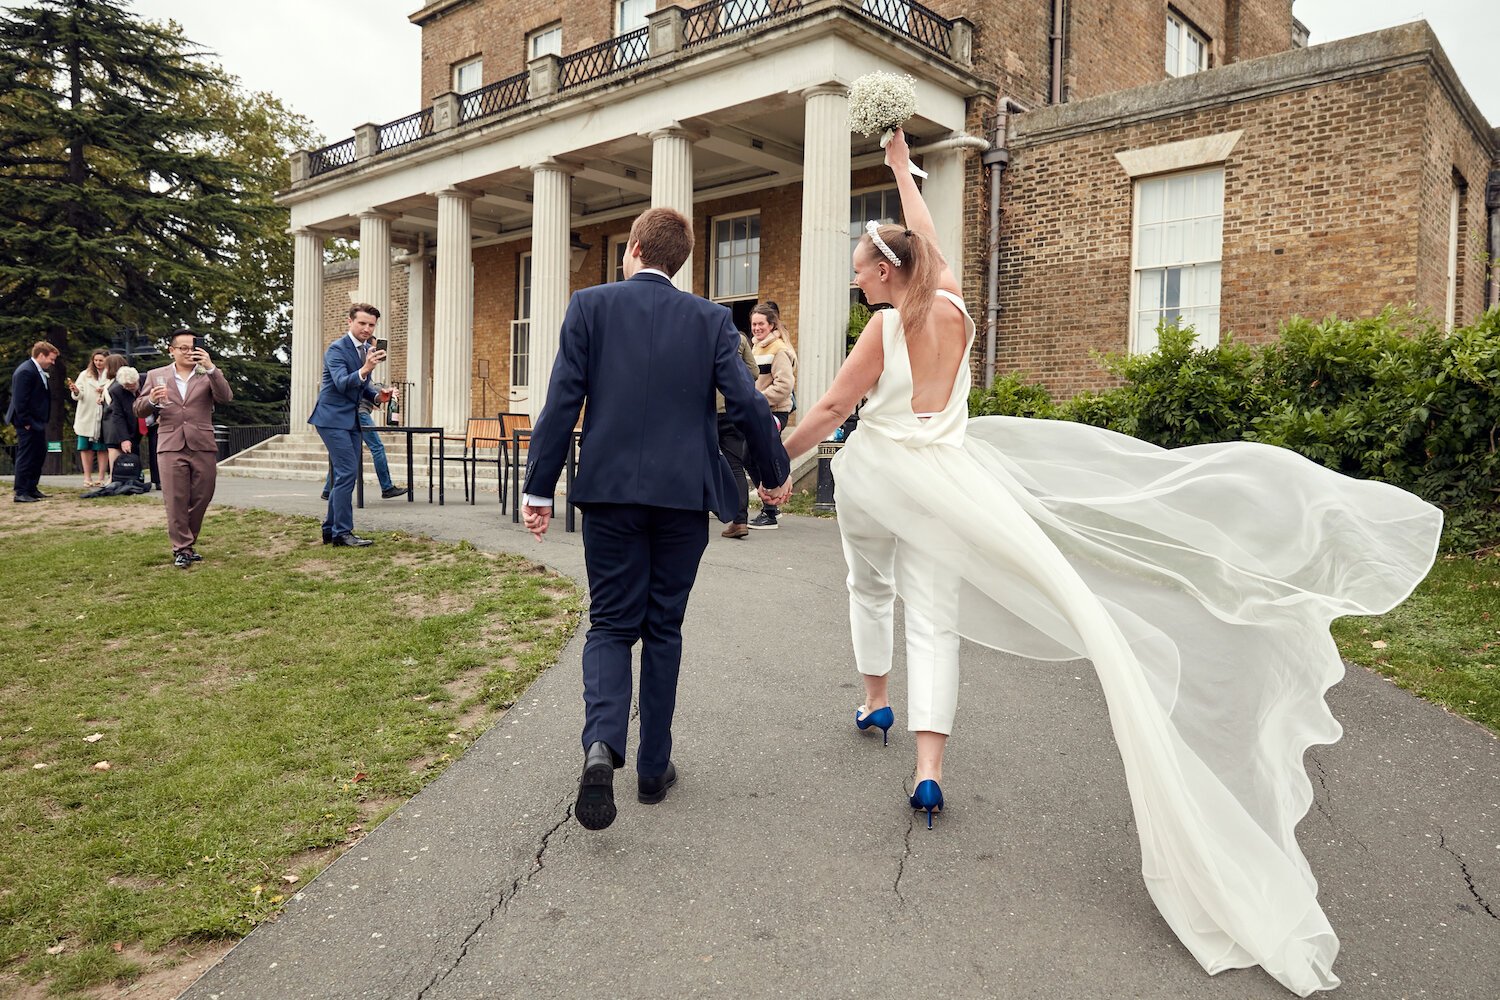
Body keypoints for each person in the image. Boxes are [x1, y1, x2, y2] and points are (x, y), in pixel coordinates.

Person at [767, 128, 1440, 995]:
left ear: (887, 275)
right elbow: (928, 246)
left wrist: (775, 466)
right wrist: (900, 171)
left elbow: (827, 407)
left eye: (863, 265)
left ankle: (873, 701)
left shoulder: (887, 330)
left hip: (884, 483)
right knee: (935, 618)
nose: (857, 274)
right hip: (956, 484)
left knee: (872, 583)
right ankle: (929, 769)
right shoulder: (958, 311)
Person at [522, 207, 789, 831]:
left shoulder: (589, 306)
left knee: (611, 624)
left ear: (635, 247)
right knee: (663, 628)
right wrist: (772, 470)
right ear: (678, 260)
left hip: (610, 494)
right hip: (680, 498)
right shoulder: (708, 319)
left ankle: (600, 746)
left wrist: (539, 489)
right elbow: (748, 399)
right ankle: (652, 768)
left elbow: (563, 399)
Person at [135, 331, 233, 569]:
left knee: (202, 496)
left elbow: (226, 397)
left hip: (202, 443)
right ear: (172, 350)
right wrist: (153, 402)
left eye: (193, 348)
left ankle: (188, 542)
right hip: (170, 444)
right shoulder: (157, 375)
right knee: (175, 499)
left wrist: (211, 368)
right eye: (183, 348)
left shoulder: (206, 373)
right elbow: (138, 408)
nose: (189, 352)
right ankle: (182, 548)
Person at [309, 304, 392, 547]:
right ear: (350, 322)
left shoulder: (365, 349)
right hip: (331, 418)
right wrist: (366, 368)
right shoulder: (336, 349)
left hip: (351, 419)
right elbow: (342, 383)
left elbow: (364, 387)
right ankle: (342, 533)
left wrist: (379, 396)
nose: (367, 329)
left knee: (341, 475)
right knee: (347, 473)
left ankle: (330, 530)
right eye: (362, 323)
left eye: (371, 325)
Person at [747, 302, 796, 530]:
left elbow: (785, 385)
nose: (756, 328)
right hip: (759, 412)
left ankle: (770, 511)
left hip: (775, 412)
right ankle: (770, 503)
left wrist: (758, 401)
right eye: (754, 324)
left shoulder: (778, 349)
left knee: (759, 455)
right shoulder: (757, 348)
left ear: (771, 325)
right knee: (749, 457)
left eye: (760, 324)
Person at [320, 382, 406, 501]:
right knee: (377, 447)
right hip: (360, 414)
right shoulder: (359, 369)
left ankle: (328, 490)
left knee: (344, 453)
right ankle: (387, 487)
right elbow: (366, 387)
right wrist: (384, 390)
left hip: (349, 413)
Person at [715, 331, 760, 538]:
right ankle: (740, 520)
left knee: (699, 460)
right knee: (736, 466)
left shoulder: (704, 335)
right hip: (732, 410)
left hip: (707, 410)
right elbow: (754, 371)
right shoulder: (740, 339)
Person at [7, 340, 60, 503]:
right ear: (41, 355)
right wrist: (25, 422)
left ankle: (31, 488)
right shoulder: (25, 371)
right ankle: (21, 491)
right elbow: (20, 400)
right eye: (51, 359)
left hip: (37, 420)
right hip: (27, 422)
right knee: (26, 455)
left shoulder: (36, 370)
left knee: (39, 453)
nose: (52, 362)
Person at [68, 348, 111, 486]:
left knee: (102, 448)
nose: (98, 363)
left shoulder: (111, 374)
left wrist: (104, 390)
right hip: (86, 415)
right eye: (96, 360)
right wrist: (75, 390)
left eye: (101, 360)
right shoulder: (84, 375)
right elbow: (78, 395)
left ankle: (101, 477)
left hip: (103, 416)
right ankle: (87, 477)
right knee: (85, 447)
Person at [100, 364, 141, 469]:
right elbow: (118, 415)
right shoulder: (116, 391)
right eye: (127, 386)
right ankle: (135, 478)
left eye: (133, 384)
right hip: (131, 424)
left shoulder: (147, 380)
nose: (131, 388)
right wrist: (125, 439)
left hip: (152, 422)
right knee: (132, 449)